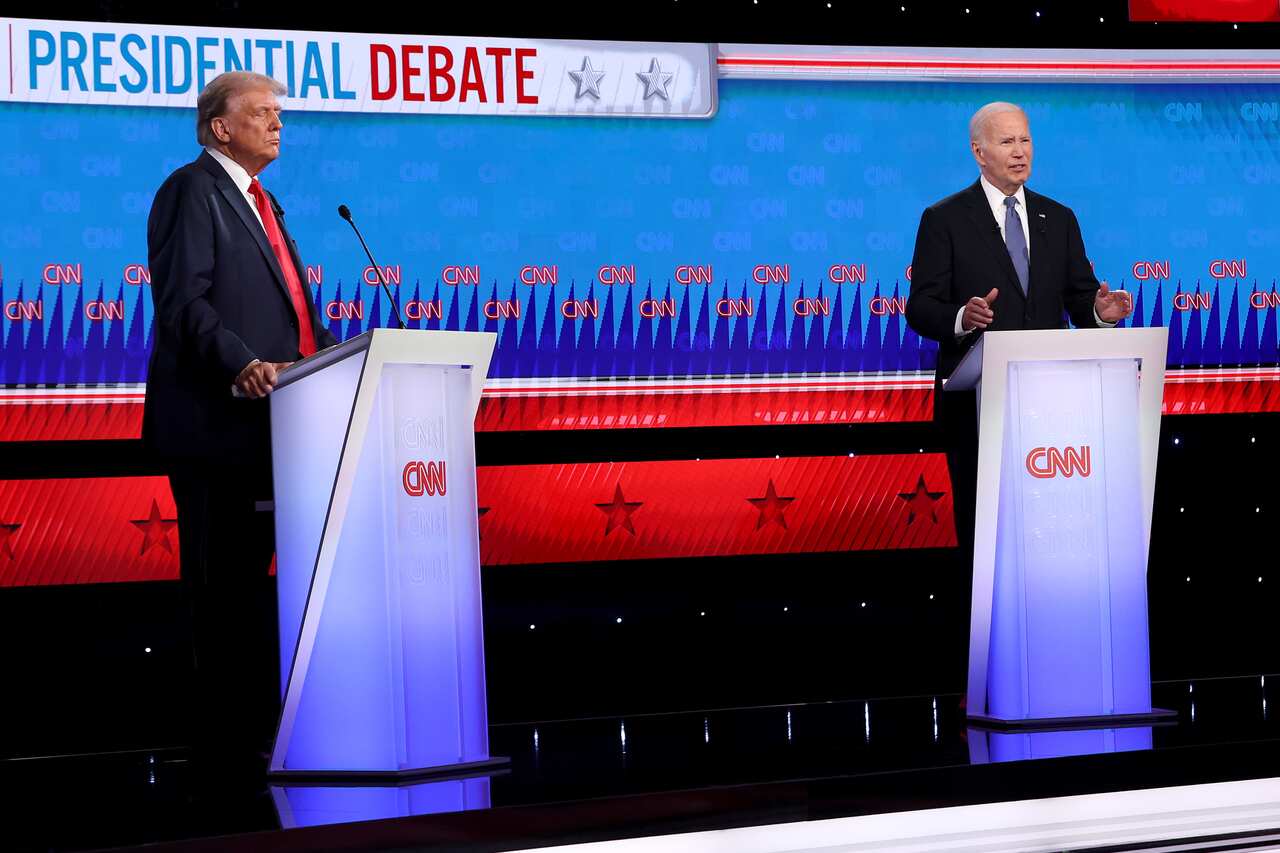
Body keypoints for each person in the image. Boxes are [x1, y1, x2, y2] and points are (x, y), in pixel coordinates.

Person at [143, 71, 338, 761]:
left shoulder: (263, 201)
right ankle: (221, 752)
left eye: (278, 113)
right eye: (262, 113)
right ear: (221, 127)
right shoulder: (191, 191)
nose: (277, 123)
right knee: (221, 593)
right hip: (216, 427)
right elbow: (183, 303)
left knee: (257, 594)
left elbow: (286, 305)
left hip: (279, 425)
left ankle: (267, 737)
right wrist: (241, 362)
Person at [906, 101, 1133, 565]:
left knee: (1046, 530)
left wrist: (1101, 312)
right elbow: (920, 308)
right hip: (976, 407)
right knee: (985, 536)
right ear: (979, 152)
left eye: (1025, 140)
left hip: (1051, 407)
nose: (1019, 152)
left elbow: (1079, 298)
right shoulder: (944, 219)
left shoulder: (1060, 218)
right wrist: (962, 318)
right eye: (1007, 141)